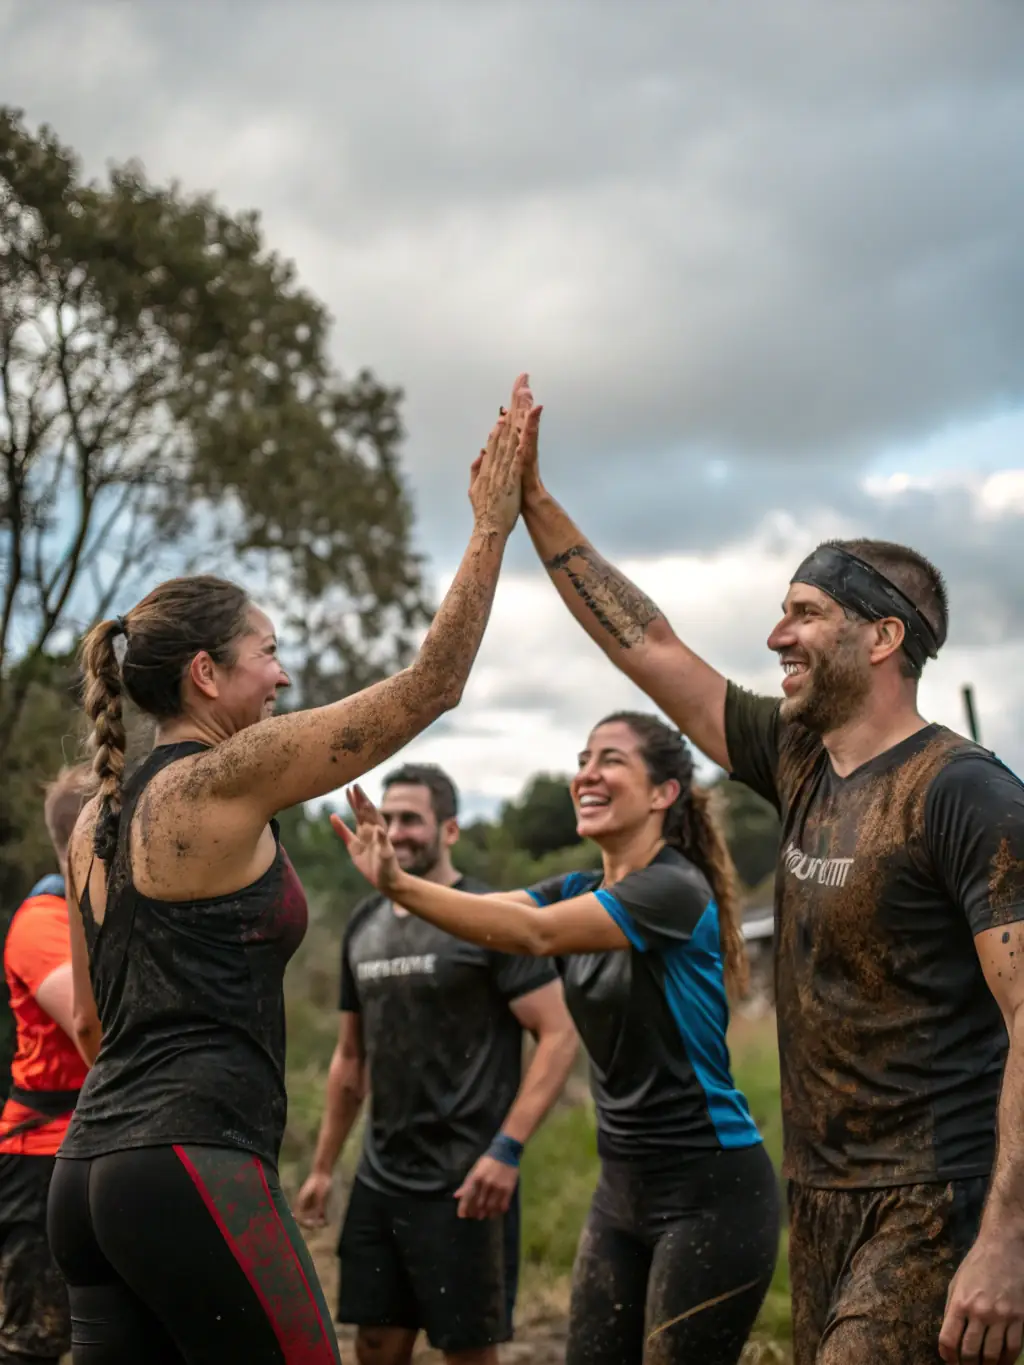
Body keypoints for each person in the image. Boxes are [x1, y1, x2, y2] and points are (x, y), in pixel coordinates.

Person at [46, 375, 537, 1365]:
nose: (281, 676)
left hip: (89, 1171)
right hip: (190, 1159)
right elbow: (431, 685)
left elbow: (96, 1024)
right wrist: (492, 524)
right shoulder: (223, 777)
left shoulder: (98, 813)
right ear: (206, 675)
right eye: (267, 653)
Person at [513, 414, 1024, 1365]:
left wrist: (1007, 1237)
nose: (775, 634)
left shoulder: (965, 792)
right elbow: (649, 648)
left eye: (804, 613)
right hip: (819, 1189)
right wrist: (536, 510)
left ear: (882, 636)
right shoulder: (799, 761)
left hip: (934, 1195)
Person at [333, 712, 781, 1365]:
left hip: (710, 1189)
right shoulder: (578, 887)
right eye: (583, 758)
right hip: (621, 1187)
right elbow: (495, 916)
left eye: (612, 759)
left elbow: (534, 936)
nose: (587, 774)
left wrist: (400, 883)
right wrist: (399, 886)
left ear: (663, 794)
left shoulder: (671, 889)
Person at [295, 762, 577, 1365]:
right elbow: (350, 1058)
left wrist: (507, 1150)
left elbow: (557, 1034)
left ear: (450, 829)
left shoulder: (489, 915)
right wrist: (322, 1168)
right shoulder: (364, 925)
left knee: (467, 1351)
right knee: (374, 1344)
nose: (395, 832)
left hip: (467, 1182)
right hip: (381, 1177)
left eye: (411, 820)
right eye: (388, 817)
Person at [0, 765, 100, 1365]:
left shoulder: (110, 912)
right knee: (35, 1343)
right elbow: (93, 1028)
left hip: (105, 1144)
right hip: (42, 1154)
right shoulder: (42, 923)